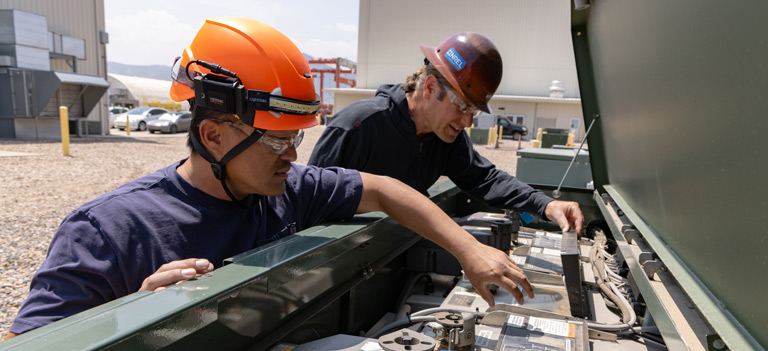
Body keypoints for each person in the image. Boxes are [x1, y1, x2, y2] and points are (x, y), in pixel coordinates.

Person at [4, 18, 533, 340]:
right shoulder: (106, 232)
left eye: (296, 137)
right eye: (278, 141)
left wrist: (469, 250)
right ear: (213, 136)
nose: (293, 155)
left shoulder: (289, 189)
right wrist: (129, 320)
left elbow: (384, 189)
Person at [308, 32, 583, 233]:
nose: (467, 121)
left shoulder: (445, 138)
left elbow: (483, 177)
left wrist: (545, 205)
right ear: (430, 87)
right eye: (462, 106)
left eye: (473, 111)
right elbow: (309, 200)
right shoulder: (357, 127)